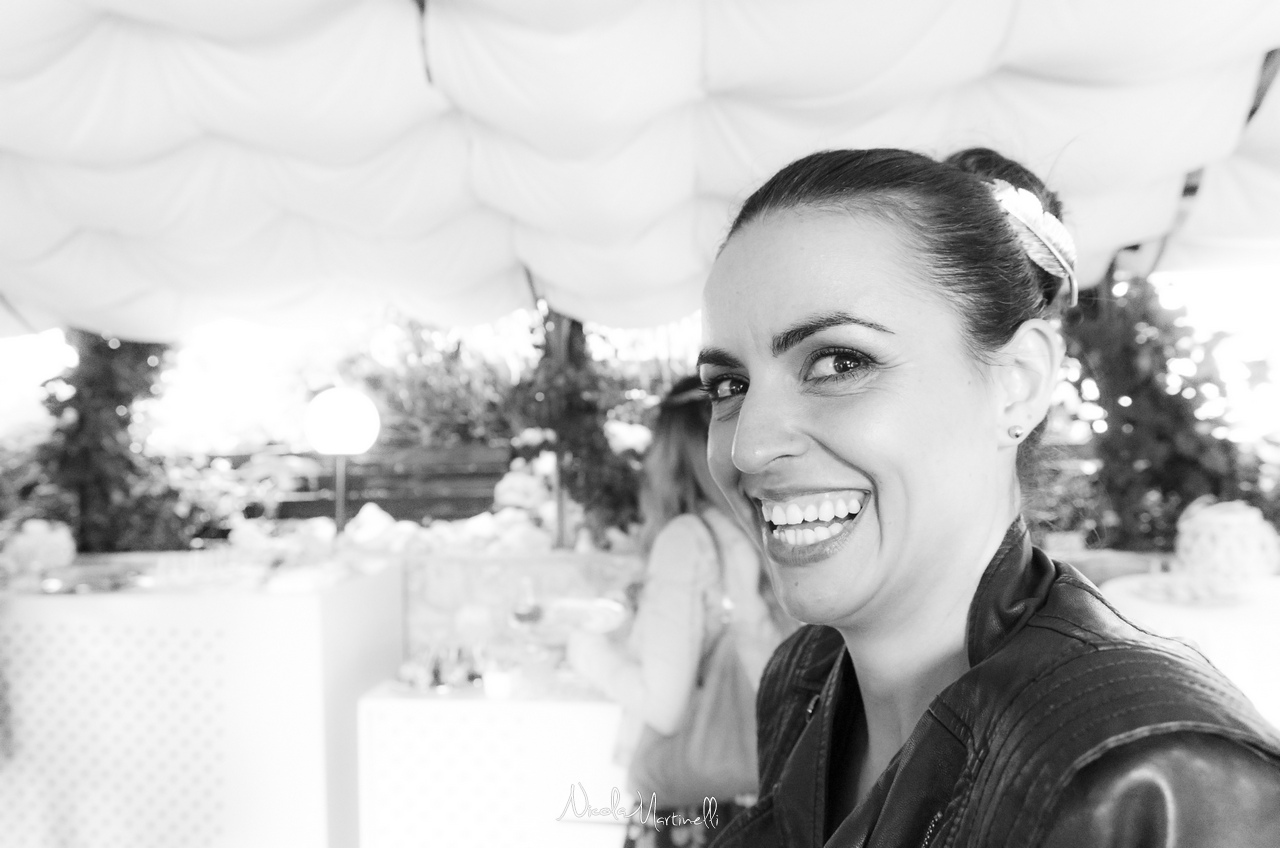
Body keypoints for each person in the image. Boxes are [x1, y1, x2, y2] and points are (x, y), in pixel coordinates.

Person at [694, 147, 1280, 847]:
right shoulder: (803, 678)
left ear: (1019, 382)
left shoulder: (1157, 778)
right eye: (729, 386)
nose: (748, 447)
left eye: (838, 362)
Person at [568, 376, 788, 848]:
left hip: (695, 811)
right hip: (770, 793)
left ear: (667, 455)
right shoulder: (765, 529)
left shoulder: (686, 540)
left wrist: (588, 651)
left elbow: (664, 708)